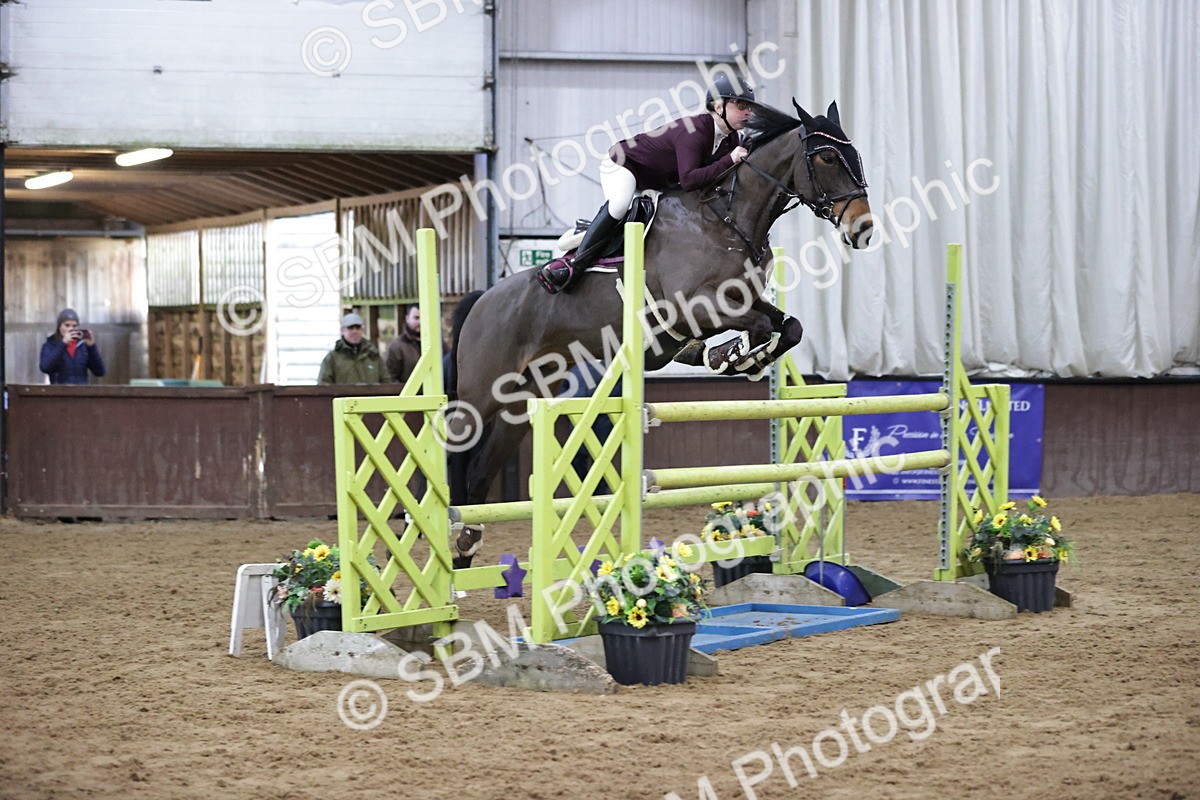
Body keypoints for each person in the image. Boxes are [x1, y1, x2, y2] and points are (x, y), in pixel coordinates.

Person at [537, 74, 757, 294]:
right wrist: (730, 160)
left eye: (749, 106)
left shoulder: (731, 140)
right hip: (625, 164)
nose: (747, 112)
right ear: (718, 107)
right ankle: (574, 265)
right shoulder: (694, 130)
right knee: (620, 204)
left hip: (658, 182)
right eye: (740, 105)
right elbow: (689, 179)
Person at [317, 312, 389, 385]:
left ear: (362, 330)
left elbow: (386, 382)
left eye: (358, 328)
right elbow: (323, 385)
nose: (355, 331)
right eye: (350, 328)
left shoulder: (373, 356)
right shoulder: (332, 358)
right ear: (342, 331)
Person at [40, 308, 106, 385]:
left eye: (74, 326)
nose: (71, 329)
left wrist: (92, 347)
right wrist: (63, 343)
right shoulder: (50, 345)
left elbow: (100, 372)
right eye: (67, 325)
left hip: (81, 392)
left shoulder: (82, 346)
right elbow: (45, 367)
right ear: (59, 327)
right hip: (59, 392)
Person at [385, 304, 422, 384]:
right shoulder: (396, 347)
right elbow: (390, 378)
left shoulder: (439, 345)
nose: (420, 322)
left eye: (424, 318)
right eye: (416, 318)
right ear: (407, 318)